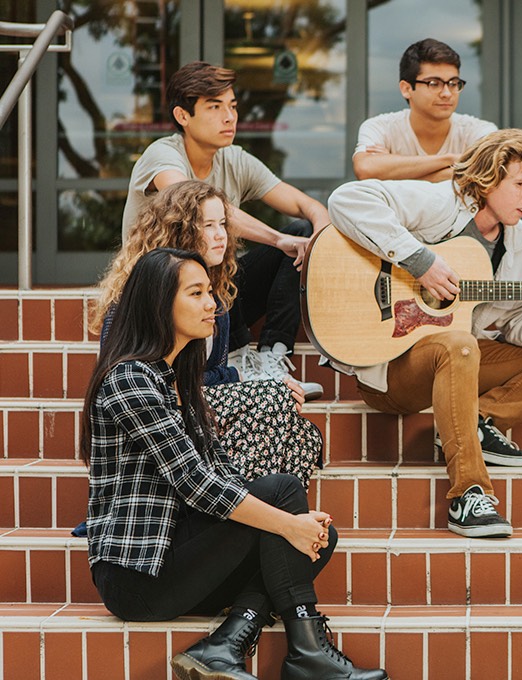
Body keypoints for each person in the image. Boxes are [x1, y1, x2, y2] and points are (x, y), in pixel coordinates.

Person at [82, 248, 386, 680]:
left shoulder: (176, 383)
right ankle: (305, 652)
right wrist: (285, 521)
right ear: (158, 303)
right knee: (284, 501)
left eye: (210, 291)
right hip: (137, 576)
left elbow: (224, 472)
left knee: (317, 533)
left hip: (176, 560)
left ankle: (229, 646)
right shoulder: (129, 379)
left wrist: (293, 525)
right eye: (197, 293)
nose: (213, 304)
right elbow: (196, 483)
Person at [328, 128, 522, 539]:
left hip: (456, 358)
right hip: (393, 371)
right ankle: (469, 493)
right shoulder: (441, 202)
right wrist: (420, 261)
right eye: (521, 184)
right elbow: (346, 199)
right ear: (489, 180)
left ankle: (479, 419)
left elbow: (520, 321)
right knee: (461, 345)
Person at [94, 180, 322, 486]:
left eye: (223, 225)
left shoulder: (216, 293)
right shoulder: (144, 293)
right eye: (208, 226)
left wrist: (241, 382)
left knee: (301, 435)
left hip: (198, 409)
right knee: (275, 398)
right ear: (179, 230)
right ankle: (239, 512)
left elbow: (212, 373)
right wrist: (244, 381)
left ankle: (261, 515)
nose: (221, 236)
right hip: (156, 417)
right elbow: (131, 380)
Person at [121, 60, 326, 399]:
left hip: (215, 289)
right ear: (182, 116)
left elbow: (306, 205)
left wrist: (317, 232)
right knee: (215, 246)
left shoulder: (234, 158)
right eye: (214, 107)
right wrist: (278, 239)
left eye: (232, 106)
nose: (229, 117)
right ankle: (232, 356)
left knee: (300, 230)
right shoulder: (162, 156)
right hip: (160, 289)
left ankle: (272, 357)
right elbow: (195, 204)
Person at [352, 38, 497, 182]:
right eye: (434, 84)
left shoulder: (479, 131)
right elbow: (365, 169)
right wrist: (451, 159)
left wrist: (393, 170)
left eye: (453, 83)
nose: (447, 93)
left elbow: (489, 173)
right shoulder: (381, 127)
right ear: (407, 89)